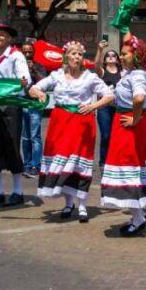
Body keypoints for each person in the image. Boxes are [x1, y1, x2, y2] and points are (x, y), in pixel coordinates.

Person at [28, 41, 114, 223]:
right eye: (73, 54)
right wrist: (40, 94)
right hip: (60, 124)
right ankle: (68, 204)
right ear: (66, 56)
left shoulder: (89, 77)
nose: (76, 57)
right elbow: (33, 88)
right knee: (64, 163)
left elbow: (109, 95)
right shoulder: (57, 75)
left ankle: (82, 205)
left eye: (79, 54)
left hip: (82, 124)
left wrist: (92, 106)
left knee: (79, 163)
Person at [99, 30, 146, 236]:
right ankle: (138, 214)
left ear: (137, 56)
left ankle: (138, 218)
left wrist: (135, 118)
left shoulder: (139, 75)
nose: (121, 56)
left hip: (130, 126)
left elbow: (140, 98)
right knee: (130, 169)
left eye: (125, 54)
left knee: (127, 168)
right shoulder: (132, 74)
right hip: (128, 124)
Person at [0, 23, 32, 209]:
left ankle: (18, 192)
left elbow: (23, 78)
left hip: (10, 104)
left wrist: (24, 83)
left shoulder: (16, 56)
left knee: (11, 143)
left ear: (9, 39)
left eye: (2, 35)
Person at [19, 40, 47, 178]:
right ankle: (27, 163)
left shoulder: (39, 66)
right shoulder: (17, 67)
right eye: (25, 52)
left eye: (30, 51)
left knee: (35, 135)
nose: (27, 54)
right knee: (25, 136)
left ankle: (36, 164)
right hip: (23, 103)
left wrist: (33, 71)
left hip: (35, 104)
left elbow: (45, 82)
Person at [95, 40, 121, 168]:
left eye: (113, 55)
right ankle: (103, 161)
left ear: (117, 60)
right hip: (104, 108)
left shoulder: (122, 73)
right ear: (105, 60)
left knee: (117, 135)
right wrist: (100, 50)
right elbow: (96, 66)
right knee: (106, 135)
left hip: (118, 108)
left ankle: (114, 160)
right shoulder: (102, 72)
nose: (111, 57)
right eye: (108, 55)